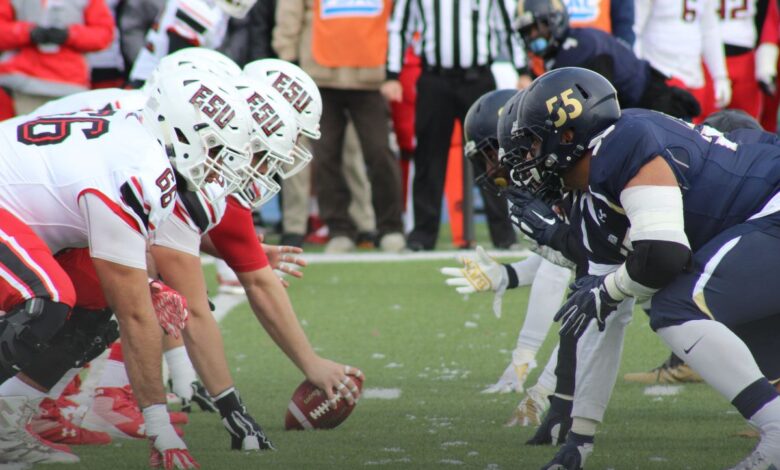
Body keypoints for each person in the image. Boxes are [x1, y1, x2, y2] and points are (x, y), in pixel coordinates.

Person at [506, 66, 780, 469]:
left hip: (771, 205)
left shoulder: (622, 141)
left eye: (531, 144)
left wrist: (609, 289)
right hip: (762, 220)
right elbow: (604, 322)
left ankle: (776, 435)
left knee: (677, 306)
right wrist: (581, 439)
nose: (527, 160)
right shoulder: (591, 202)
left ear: (566, 135)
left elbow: (664, 255)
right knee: (747, 340)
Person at [0, 65, 251, 468]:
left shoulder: (143, 140)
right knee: (46, 298)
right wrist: (160, 429)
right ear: (183, 134)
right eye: (214, 148)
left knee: (101, 302)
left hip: (22, 211)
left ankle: (6, 422)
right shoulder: (138, 169)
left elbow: (125, 279)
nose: (219, 165)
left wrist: (145, 288)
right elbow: (137, 314)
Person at [441, 89, 571, 395]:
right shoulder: (529, 188)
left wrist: (522, 357)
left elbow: (561, 267)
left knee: (662, 314)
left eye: (491, 154)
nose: (490, 169)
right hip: (632, 258)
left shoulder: (565, 174)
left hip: (659, 245)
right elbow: (565, 256)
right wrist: (507, 275)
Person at [384, 0, 525, 251]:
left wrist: (522, 69)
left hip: (477, 78)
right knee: (428, 157)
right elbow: (399, 27)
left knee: (493, 156)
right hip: (434, 78)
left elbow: (508, 27)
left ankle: (504, 235)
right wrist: (392, 74)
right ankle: (422, 235)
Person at [517, 0, 701, 120]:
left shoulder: (579, 49)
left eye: (537, 28)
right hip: (641, 106)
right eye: (527, 32)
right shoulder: (571, 44)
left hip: (655, 106)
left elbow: (597, 110)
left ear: (554, 20)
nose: (533, 37)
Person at [0, 0, 115, 115]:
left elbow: (104, 34)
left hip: (69, 85)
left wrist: (70, 35)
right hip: (21, 83)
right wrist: (27, 32)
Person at [633, 0, 731, 121]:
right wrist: (640, 72)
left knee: (695, 130)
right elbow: (635, 28)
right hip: (660, 72)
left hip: (693, 74)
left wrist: (720, 76)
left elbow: (709, 30)